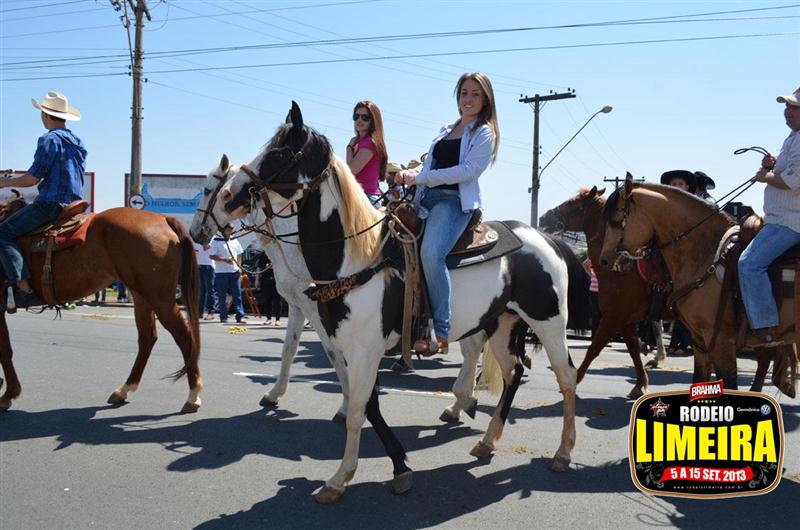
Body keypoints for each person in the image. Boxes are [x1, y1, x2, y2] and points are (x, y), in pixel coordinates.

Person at [397, 72, 500, 354]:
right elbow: (429, 167)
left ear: (486, 100)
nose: (468, 99)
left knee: (431, 254)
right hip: (424, 198)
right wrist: (409, 175)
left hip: (453, 202)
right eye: (464, 93)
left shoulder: (484, 133)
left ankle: (440, 331)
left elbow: (467, 171)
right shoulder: (446, 129)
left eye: (475, 94)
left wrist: (421, 178)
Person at [0, 92, 86, 308]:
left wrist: (3, 182)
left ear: (45, 114)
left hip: (51, 204)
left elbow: (32, 178)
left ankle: (23, 288)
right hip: (74, 205)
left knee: (3, 233)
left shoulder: (48, 139)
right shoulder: (77, 141)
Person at [739, 87, 800, 344]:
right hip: (780, 218)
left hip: (789, 221)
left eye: (794, 107)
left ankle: (765, 327)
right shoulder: (792, 138)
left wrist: (766, 176)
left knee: (749, 264)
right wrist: (773, 164)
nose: (787, 111)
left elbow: (793, 181)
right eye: (786, 106)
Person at [346, 100, 388, 206]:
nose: (359, 120)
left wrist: (349, 148)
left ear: (373, 120)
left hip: (366, 197)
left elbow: (352, 170)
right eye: (356, 116)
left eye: (364, 117)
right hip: (357, 194)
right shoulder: (359, 142)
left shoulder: (369, 142)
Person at [210, 224, 246, 323]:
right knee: (222, 295)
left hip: (234, 271)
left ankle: (240, 316)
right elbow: (212, 256)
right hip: (221, 272)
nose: (231, 231)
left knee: (237, 295)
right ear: (224, 230)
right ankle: (223, 316)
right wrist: (224, 259)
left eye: (232, 229)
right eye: (229, 229)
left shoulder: (234, 240)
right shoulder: (216, 241)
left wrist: (239, 267)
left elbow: (239, 254)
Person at [194, 240, 217, 320]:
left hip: (209, 266)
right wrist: (197, 263)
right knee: (202, 291)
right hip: (201, 266)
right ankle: (200, 312)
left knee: (210, 290)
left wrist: (203, 240)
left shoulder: (212, 239)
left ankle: (211, 312)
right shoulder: (199, 238)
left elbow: (205, 247)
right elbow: (196, 251)